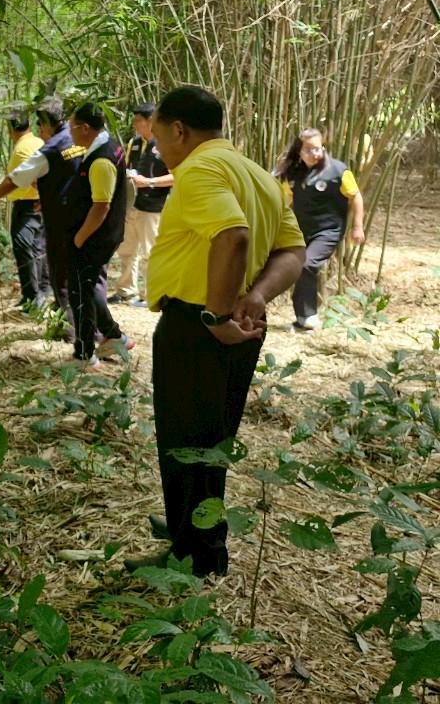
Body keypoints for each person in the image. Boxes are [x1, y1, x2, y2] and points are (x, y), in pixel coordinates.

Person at [126, 86, 305, 578]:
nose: (158, 146)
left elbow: (234, 236)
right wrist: (257, 297)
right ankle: (195, 531)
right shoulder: (259, 177)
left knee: (187, 443)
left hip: (201, 326)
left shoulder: (202, 169)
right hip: (243, 325)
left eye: (159, 135)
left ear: (179, 130)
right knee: (210, 441)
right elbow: (293, 253)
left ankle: (194, 558)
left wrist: (218, 315)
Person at [0, 95, 86, 339]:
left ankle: (64, 324)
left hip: (47, 212)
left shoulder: (44, 146)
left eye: (41, 123)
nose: (40, 129)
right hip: (60, 211)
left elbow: (18, 179)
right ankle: (57, 313)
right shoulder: (64, 143)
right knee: (52, 261)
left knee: (41, 257)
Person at [62, 103, 133, 368]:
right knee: (88, 287)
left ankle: (84, 354)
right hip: (101, 234)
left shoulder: (101, 160)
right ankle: (114, 337)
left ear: (85, 128)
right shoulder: (107, 146)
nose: (70, 134)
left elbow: (101, 206)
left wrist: (80, 238)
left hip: (94, 237)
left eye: (72, 128)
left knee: (80, 293)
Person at [274, 128, 367, 331]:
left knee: (307, 264)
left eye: (318, 149)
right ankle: (302, 319)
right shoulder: (293, 173)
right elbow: (284, 202)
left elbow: (356, 197)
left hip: (329, 230)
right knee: (294, 266)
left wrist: (357, 227)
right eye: (308, 150)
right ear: (299, 151)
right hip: (301, 230)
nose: (315, 154)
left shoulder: (338, 171)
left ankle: (309, 316)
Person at [0, 105, 50, 310]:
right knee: (37, 248)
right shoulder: (38, 141)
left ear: (10, 129)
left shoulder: (22, 149)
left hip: (27, 205)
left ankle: (33, 297)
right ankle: (38, 292)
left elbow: (18, 180)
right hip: (39, 204)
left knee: (24, 248)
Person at [110, 103, 173, 306]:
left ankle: (151, 295)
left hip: (154, 206)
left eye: (138, 120)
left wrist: (150, 182)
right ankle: (126, 290)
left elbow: (177, 176)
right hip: (132, 204)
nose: (134, 124)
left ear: (150, 121)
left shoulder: (166, 145)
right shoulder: (134, 143)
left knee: (150, 252)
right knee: (127, 250)